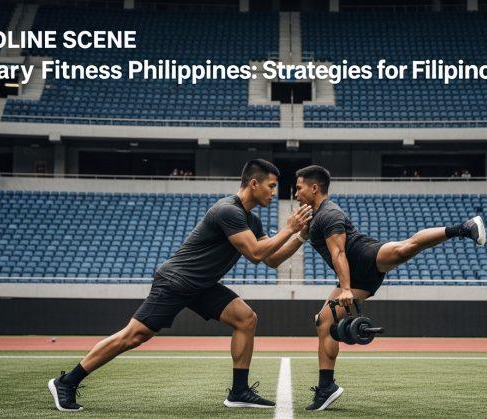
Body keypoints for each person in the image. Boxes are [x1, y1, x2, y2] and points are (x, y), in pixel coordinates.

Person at [47, 159, 313, 412]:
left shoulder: (251, 220)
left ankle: (239, 392)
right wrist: (289, 228)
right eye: (271, 186)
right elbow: (255, 253)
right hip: (176, 281)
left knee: (245, 318)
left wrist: (301, 235)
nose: (274, 193)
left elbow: (271, 259)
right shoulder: (228, 210)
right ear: (254, 184)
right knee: (133, 336)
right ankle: (66, 382)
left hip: (201, 285)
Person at [293, 165, 486, 411]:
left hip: (364, 257)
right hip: (356, 276)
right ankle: (326, 387)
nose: (296, 194)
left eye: (298, 188)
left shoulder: (329, 214)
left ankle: (464, 228)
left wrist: (346, 288)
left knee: (405, 248)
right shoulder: (315, 216)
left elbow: (338, 253)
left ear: (314, 188)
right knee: (324, 322)